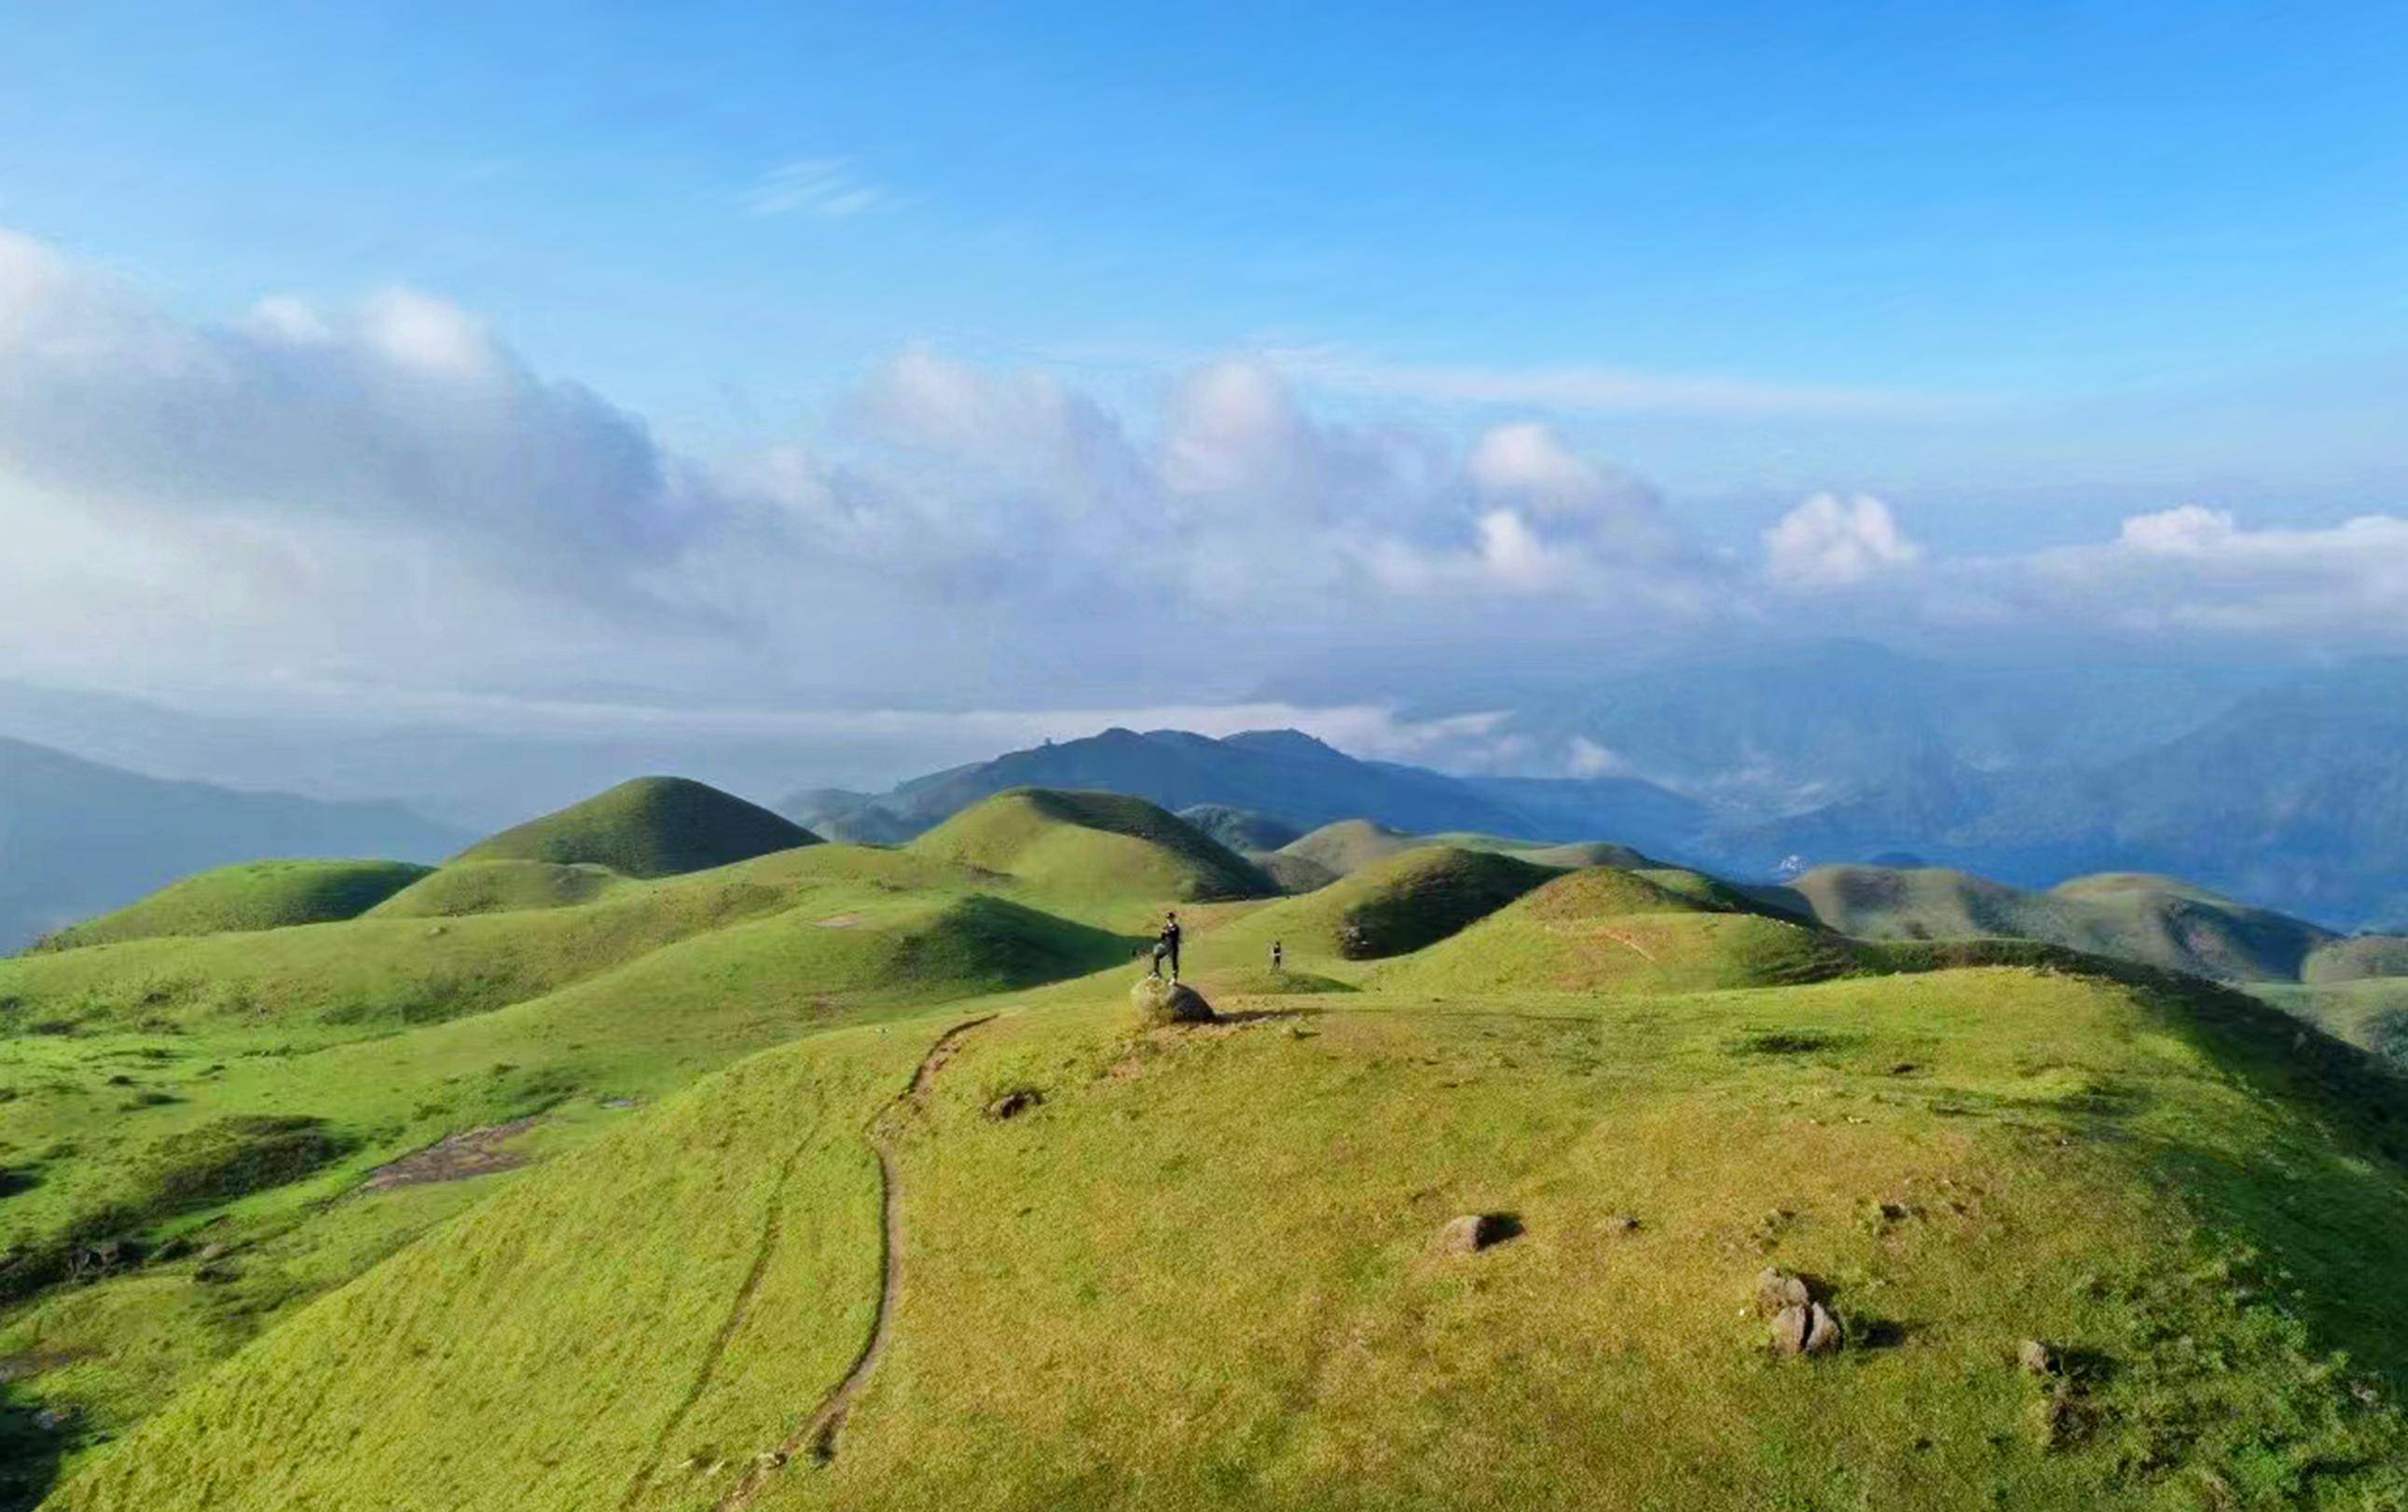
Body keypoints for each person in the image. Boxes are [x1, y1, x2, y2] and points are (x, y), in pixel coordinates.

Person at [1160, 910, 1183, 981]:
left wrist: (1165, 931)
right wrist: (1163, 933)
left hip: (1173, 947)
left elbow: (1172, 933)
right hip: (1166, 946)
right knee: (1157, 956)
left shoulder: (1176, 927)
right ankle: (1156, 972)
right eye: (1168, 918)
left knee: (1174, 962)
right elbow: (1162, 937)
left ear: (1173, 919)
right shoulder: (1165, 927)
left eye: (1171, 918)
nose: (1169, 920)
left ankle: (1174, 977)